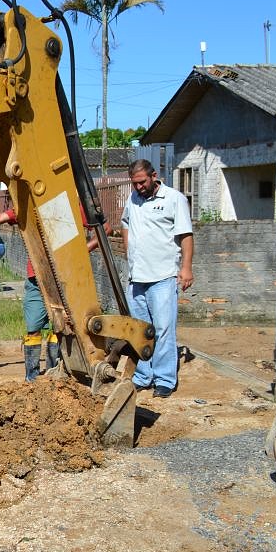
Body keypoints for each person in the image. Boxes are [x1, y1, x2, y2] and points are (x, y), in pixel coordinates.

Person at [0, 204, 101, 381]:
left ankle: (54, 376)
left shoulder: (68, 204)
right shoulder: (28, 206)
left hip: (63, 278)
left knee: (59, 327)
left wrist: (82, 250)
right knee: (33, 328)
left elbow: (104, 228)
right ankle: (31, 380)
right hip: (36, 278)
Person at [121, 160, 194, 397]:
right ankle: (143, 375)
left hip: (163, 276)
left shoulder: (174, 199)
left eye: (142, 182)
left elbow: (185, 236)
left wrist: (186, 268)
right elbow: (125, 224)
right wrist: (128, 249)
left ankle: (164, 379)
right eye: (135, 183)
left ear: (154, 176)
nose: (139, 187)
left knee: (163, 329)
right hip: (137, 278)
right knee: (140, 331)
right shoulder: (133, 200)